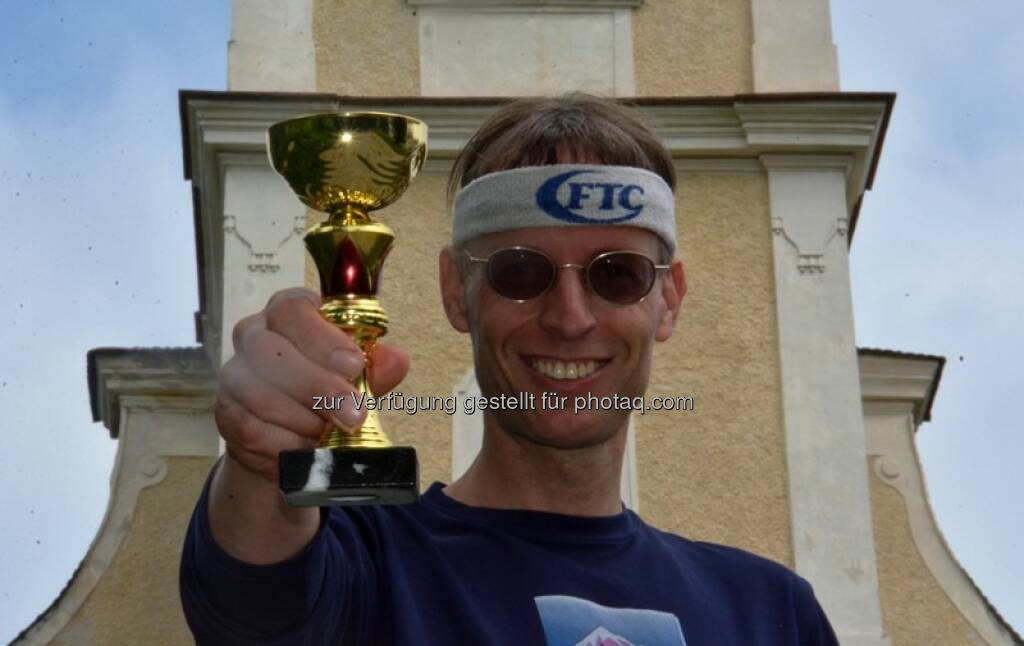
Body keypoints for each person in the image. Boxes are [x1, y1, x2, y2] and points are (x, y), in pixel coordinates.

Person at [180, 94, 839, 646]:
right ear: (453, 289)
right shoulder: (361, 566)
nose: (571, 317)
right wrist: (260, 465)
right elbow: (251, 599)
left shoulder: (770, 612)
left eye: (618, 274)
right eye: (520, 271)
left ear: (668, 299)